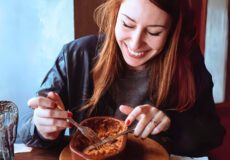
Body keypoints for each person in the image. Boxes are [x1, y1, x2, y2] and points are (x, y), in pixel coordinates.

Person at [19, 0, 225, 157]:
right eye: (127, 24)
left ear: (171, 32)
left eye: (154, 32)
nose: (136, 44)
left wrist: (171, 125)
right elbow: (27, 131)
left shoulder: (185, 63)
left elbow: (212, 135)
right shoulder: (76, 55)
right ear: (115, 13)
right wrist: (42, 126)